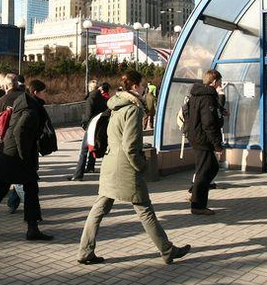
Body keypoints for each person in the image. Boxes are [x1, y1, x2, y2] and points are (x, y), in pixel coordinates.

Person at [77, 70, 191, 265]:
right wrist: (142, 165)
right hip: (126, 168)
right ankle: (167, 250)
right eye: (143, 84)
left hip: (110, 164)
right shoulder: (133, 109)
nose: (145, 87)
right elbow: (130, 146)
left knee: (99, 207)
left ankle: (85, 251)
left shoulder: (116, 106)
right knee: (144, 209)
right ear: (136, 86)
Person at [0, 75, 52, 241]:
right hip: (15, 157)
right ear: (36, 92)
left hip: (9, 155)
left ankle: (31, 228)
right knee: (12, 191)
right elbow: (18, 131)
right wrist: (24, 156)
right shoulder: (30, 109)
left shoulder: (26, 103)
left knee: (16, 190)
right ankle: (30, 228)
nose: (47, 95)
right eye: (45, 92)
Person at [180, 69, 224, 215]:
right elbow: (209, 123)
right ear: (214, 81)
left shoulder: (196, 95)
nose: (220, 84)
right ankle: (198, 205)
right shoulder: (208, 97)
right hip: (202, 139)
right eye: (219, 81)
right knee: (205, 170)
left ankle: (196, 192)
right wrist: (217, 144)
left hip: (196, 136)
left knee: (210, 168)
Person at [69, 81, 110, 181]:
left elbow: (88, 115)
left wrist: (84, 124)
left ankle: (78, 175)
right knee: (91, 147)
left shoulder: (91, 98)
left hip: (91, 126)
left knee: (84, 151)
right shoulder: (102, 98)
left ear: (90, 88)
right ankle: (90, 167)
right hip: (98, 126)